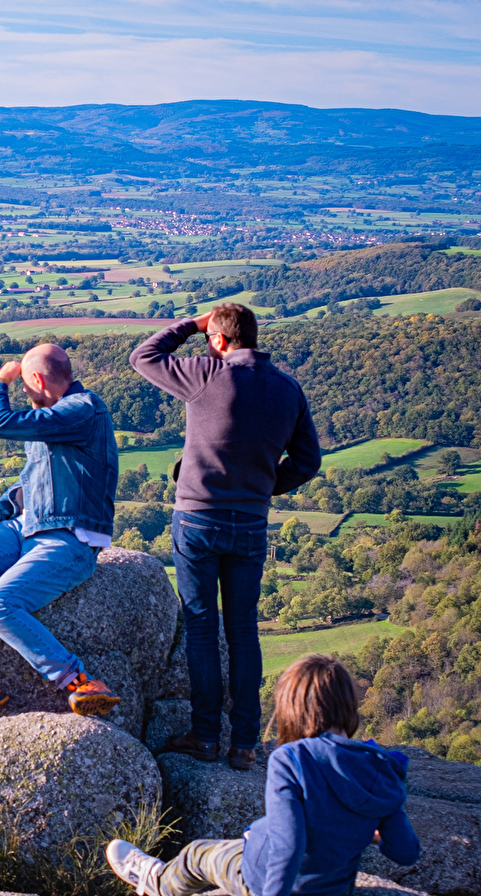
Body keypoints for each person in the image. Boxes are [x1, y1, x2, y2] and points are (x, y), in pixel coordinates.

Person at [129, 304, 320, 770]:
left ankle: (206, 736)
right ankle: (245, 744)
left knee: (201, 626)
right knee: (242, 631)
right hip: (251, 523)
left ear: (218, 340)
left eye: (209, 335)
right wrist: (263, 484)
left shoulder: (206, 374)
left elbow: (144, 355)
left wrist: (191, 325)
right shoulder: (288, 390)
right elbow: (308, 462)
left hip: (197, 518)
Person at [105, 654, 419, 896]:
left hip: (260, 874)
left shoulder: (293, 760)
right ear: (349, 708)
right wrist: (366, 830)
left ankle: (155, 880)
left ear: (293, 710)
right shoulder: (381, 767)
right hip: (332, 887)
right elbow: (405, 852)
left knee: (196, 855)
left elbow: (287, 845)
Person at [0, 343, 121, 723]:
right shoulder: (54, 417)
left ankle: (78, 680)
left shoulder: (82, 410)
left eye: (23, 384)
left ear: (36, 379)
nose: (22, 391)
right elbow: (30, 483)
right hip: (28, 527)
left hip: (69, 537)